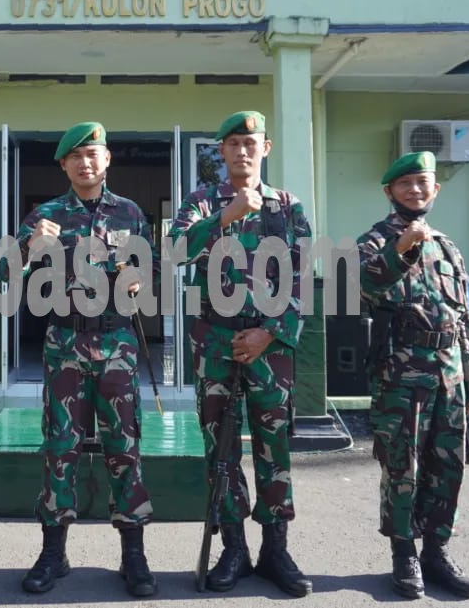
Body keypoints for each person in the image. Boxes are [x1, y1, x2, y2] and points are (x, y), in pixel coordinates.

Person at [11, 122, 160, 598]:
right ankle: (54, 550)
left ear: (107, 159)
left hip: (117, 343)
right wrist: (30, 246)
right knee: (60, 448)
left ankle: (133, 553)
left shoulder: (131, 213)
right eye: (75, 156)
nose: (85, 162)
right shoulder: (46, 215)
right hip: (64, 345)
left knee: (124, 448)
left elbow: (149, 266)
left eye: (92, 154)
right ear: (63, 165)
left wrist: (140, 276)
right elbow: (4, 270)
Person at [168, 110, 313, 597]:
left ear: (265, 149)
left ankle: (276, 548)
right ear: (221, 152)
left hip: (270, 349)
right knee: (222, 451)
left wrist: (270, 333)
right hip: (216, 346)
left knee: (275, 450)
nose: (242, 151)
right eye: (232, 143)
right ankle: (234, 547)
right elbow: (173, 253)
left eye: (250, 143)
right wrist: (224, 217)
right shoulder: (201, 202)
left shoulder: (287, 208)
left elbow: (303, 279)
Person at [358, 151, 469, 600]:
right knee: (402, 466)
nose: (415, 190)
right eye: (406, 184)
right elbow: (366, 284)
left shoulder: (446, 246)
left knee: (448, 466)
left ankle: (437, 551)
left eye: (423, 183)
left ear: (435, 190)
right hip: (401, 376)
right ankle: (404, 555)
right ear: (389, 192)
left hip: (450, 373)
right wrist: (400, 249)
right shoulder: (374, 240)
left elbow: (464, 318)